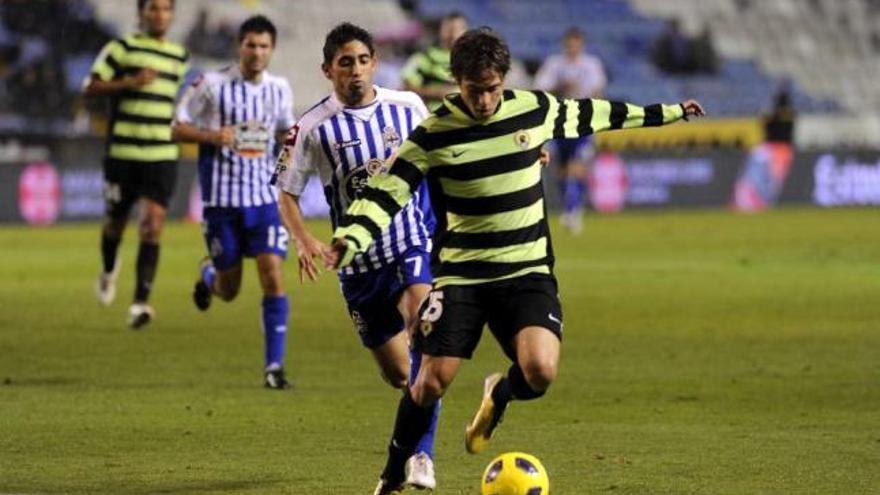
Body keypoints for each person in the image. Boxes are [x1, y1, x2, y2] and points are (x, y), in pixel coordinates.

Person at [323, 28, 705, 493]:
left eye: (492, 89)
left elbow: (600, 113)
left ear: (503, 80)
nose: (484, 101)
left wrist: (670, 112)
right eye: (473, 90)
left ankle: (498, 394)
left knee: (541, 372)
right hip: (463, 275)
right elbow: (387, 192)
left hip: (526, 271)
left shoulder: (536, 109)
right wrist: (350, 238)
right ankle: (390, 476)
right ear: (457, 82)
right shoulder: (434, 131)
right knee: (427, 385)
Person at [272, 23, 441, 491]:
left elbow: (447, 149)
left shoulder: (408, 107)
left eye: (363, 60)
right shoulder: (311, 128)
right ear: (328, 69)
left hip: (411, 243)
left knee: (425, 338)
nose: (356, 70)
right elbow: (286, 192)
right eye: (345, 62)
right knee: (397, 374)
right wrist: (304, 239)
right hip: (359, 268)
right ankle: (409, 434)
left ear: (375, 62)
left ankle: (422, 458)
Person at [172, 15, 295, 389]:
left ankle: (274, 368)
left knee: (272, 274)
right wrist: (212, 136)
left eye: (263, 46)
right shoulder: (211, 84)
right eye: (250, 45)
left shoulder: (280, 89)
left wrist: (289, 179)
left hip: (264, 202)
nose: (256, 53)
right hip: (222, 204)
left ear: (271, 50)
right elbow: (177, 127)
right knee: (229, 290)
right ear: (239, 46)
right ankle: (210, 275)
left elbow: (286, 134)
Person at [86, 0, 189, 329]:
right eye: (153, 9)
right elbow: (91, 86)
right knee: (115, 223)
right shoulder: (121, 48)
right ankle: (108, 269)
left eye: (165, 9)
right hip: (123, 154)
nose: (160, 15)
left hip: (161, 155)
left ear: (172, 15)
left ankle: (140, 302)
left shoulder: (180, 56)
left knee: (153, 224)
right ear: (141, 13)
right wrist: (129, 83)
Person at [535, 27, 607, 233]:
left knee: (577, 166)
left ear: (581, 44)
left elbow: (598, 92)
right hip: (558, 123)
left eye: (575, 43)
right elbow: (540, 89)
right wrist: (560, 88)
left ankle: (572, 210)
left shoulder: (591, 65)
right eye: (569, 43)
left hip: (583, 123)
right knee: (562, 168)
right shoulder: (554, 64)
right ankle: (572, 207)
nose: (572, 47)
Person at [401, 11, 468, 109]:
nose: (453, 33)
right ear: (440, 29)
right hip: (432, 117)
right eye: (448, 28)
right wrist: (436, 93)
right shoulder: (424, 56)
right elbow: (406, 88)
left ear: (465, 31)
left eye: (458, 29)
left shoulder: (473, 59)